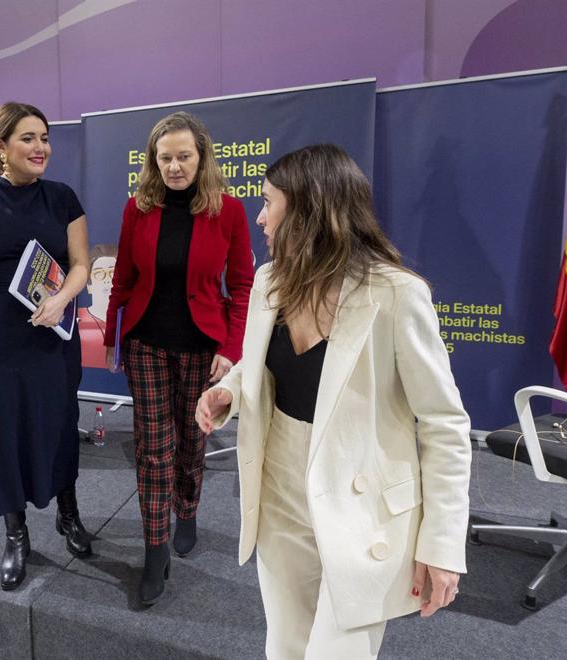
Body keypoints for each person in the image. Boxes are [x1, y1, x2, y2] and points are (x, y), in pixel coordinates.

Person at [195, 144, 471, 658]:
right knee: (285, 646)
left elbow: (443, 424)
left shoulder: (395, 295)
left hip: (361, 503)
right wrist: (228, 391)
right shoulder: (268, 282)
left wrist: (442, 543)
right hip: (278, 490)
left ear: (307, 211)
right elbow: (259, 369)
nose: (260, 218)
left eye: (268, 202)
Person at [105, 111, 254, 605]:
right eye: (165, 157)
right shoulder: (137, 208)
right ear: (153, 161)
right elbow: (123, 276)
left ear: (201, 157)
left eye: (183, 156)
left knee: (191, 439)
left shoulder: (228, 211)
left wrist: (232, 351)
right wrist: (111, 333)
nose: (174, 166)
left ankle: (186, 509)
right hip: (146, 341)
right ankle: (154, 549)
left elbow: (243, 284)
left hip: (202, 346)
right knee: (153, 446)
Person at [0, 102, 94, 591]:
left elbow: (80, 264)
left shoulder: (62, 197)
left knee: (57, 420)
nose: (41, 148)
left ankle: (67, 514)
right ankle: (15, 534)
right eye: (28, 138)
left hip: (49, 326)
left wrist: (62, 300)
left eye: (44, 138)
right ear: (1, 147)